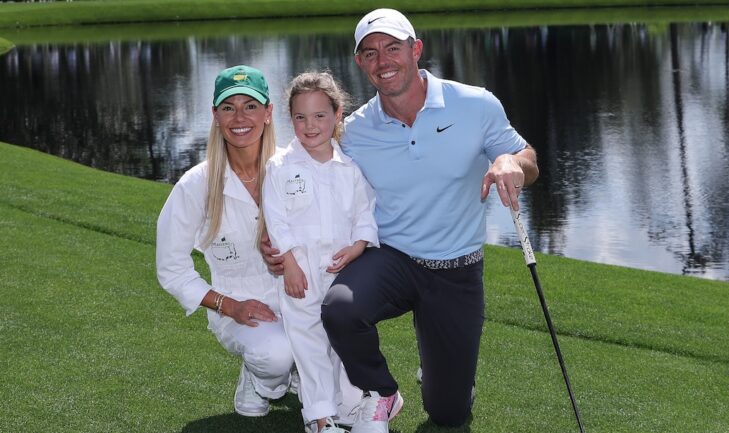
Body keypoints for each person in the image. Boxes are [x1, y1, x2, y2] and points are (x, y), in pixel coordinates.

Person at [263, 8, 539, 432]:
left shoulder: (475, 104)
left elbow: (528, 158)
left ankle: (441, 376)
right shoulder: (353, 131)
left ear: (416, 49)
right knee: (338, 311)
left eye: (393, 48)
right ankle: (382, 392)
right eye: (370, 53)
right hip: (391, 259)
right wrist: (276, 238)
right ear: (360, 63)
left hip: (457, 269)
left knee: (448, 413)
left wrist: (510, 162)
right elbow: (302, 171)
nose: (383, 61)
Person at [156, 65, 295, 418]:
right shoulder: (195, 185)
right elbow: (170, 267)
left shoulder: (295, 171)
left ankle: (297, 369)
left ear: (268, 113)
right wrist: (228, 305)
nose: (239, 117)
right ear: (215, 115)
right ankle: (266, 375)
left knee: (346, 384)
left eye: (250, 106)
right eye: (228, 107)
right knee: (275, 357)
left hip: (300, 303)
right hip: (239, 311)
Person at [262, 71, 377, 433]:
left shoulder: (350, 170)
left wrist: (359, 246)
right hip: (300, 275)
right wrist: (291, 263)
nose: (310, 126)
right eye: (300, 117)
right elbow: (276, 220)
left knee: (340, 343)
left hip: (341, 274)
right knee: (310, 346)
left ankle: (352, 407)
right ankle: (320, 418)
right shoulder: (280, 166)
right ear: (290, 119)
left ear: (338, 114)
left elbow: (364, 214)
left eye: (319, 116)